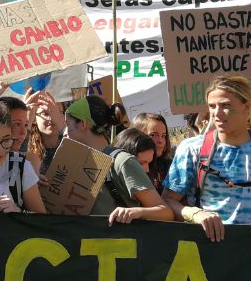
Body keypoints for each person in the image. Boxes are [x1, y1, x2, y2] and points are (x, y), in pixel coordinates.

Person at [162, 76, 251, 243]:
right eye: (212, 106)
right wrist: (196, 214)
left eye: (225, 106)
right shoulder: (191, 148)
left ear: (246, 108)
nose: (216, 114)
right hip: (208, 249)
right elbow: (168, 200)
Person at [63, 96, 172, 225]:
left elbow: (166, 213)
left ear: (82, 124)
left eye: (68, 125)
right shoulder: (77, 160)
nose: (65, 132)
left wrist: (135, 212)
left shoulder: (122, 161)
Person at [130, 112, 172, 190]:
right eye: (153, 135)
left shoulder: (169, 165)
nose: (161, 141)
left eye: (164, 136)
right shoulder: (130, 165)